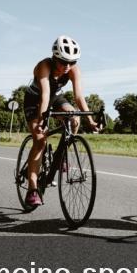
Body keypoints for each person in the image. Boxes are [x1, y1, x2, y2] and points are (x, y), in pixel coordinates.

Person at [22, 35, 97, 209]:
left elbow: (78, 97)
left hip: (55, 98)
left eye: (72, 62)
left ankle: (60, 156)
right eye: (64, 62)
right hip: (35, 100)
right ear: (55, 57)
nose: (67, 67)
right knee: (40, 140)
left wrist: (91, 120)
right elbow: (44, 95)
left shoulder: (73, 70)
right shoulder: (44, 66)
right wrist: (43, 120)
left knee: (75, 119)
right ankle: (32, 190)